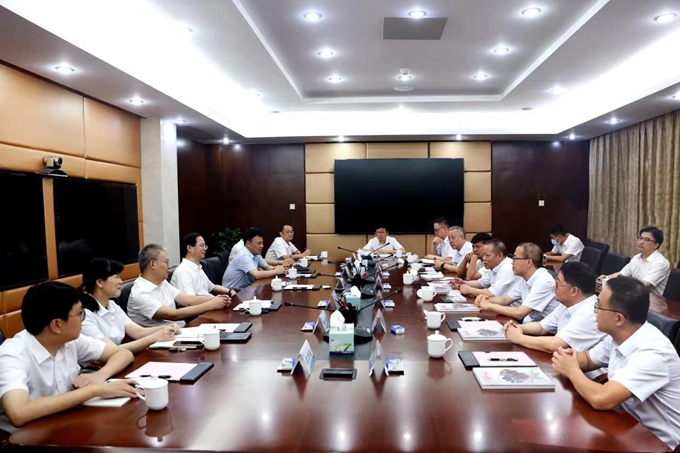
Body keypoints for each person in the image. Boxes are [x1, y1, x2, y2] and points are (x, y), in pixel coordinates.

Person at [551, 277, 680, 450]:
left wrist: (572, 370)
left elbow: (602, 399)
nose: (594, 311)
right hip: (628, 425)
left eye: (598, 306)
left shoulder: (654, 353)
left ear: (619, 319)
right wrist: (569, 357)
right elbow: (588, 359)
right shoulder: (621, 334)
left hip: (659, 444)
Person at [0, 282, 138, 433]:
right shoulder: (12, 354)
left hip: (65, 422)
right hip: (26, 437)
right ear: (56, 325)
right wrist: (95, 390)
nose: (83, 319)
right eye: (80, 314)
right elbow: (19, 413)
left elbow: (123, 353)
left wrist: (100, 376)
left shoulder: (70, 339)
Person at [79, 258, 180, 353]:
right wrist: (154, 338)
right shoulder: (84, 315)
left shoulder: (112, 305)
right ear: (100, 282)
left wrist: (167, 328)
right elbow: (110, 350)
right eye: (116, 277)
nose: (121, 282)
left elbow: (138, 332)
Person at [504, 261, 606, 353]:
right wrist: (516, 328)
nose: (554, 287)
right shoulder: (566, 304)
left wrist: (519, 338)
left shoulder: (589, 313)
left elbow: (556, 344)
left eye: (557, 284)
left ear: (574, 291)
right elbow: (541, 327)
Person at [127, 244, 231, 328]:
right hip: (159, 341)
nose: (169, 267)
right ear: (153, 264)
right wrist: (211, 304)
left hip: (179, 330)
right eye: (166, 262)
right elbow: (173, 315)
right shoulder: (140, 293)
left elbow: (187, 300)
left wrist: (219, 299)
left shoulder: (162, 282)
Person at [474, 243, 559, 323]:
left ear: (528, 262)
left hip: (545, 331)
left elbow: (520, 313)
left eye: (515, 258)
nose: (512, 262)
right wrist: (484, 300)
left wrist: (489, 305)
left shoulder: (543, 281)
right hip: (529, 325)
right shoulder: (524, 278)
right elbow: (505, 300)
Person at [598, 226, 671, 313]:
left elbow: (642, 285)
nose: (641, 242)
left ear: (656, 245)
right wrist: (606, 278)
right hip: (635, 297)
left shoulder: (661, 263)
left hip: (654, 305)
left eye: (646, 240)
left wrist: (617, 286)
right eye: (640, 238)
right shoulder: (637, 258)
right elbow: (621, 274)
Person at [172, 233, 236, 297]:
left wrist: (230, 291)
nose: (204, 249)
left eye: (205, 246)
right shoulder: (183, 272)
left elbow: (212, 287)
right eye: (201, 245)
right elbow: (191, 299)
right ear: (190, 248)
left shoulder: (198, 268)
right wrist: (216, 299)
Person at [453, 239, 517, 297]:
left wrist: (469, 290)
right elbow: (481, 283)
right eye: (483, 255)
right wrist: (463, 282)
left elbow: (492, 293)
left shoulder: (507, 269)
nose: (483, 258)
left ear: (499, 256)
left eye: (487, 255)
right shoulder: (493, 266)